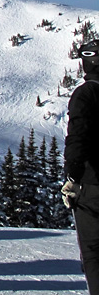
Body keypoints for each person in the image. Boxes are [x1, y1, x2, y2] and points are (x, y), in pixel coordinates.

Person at [63, 39, 99, 294]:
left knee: (94, 252)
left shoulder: (85, 93)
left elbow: (77, 136)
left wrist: (72, 177)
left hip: (93, 183)